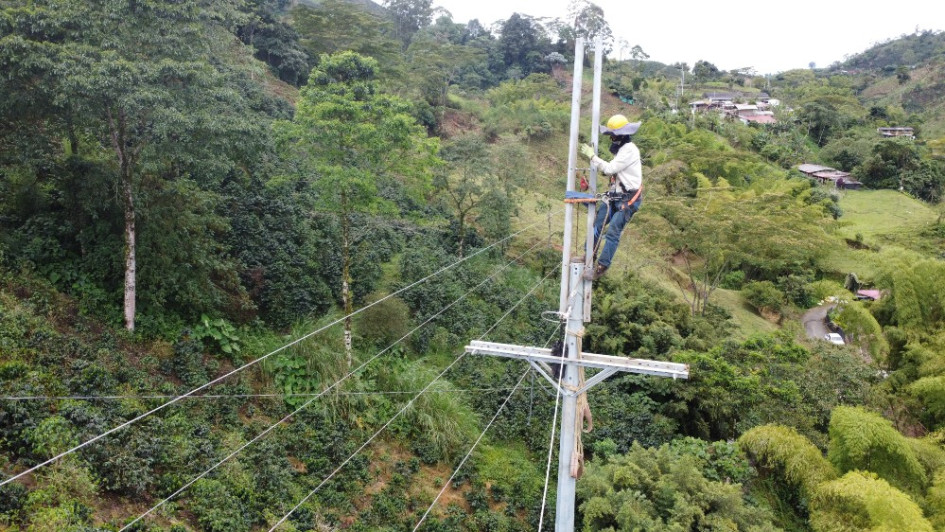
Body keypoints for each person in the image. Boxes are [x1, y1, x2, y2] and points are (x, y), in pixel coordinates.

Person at [578, 114, 643, 281]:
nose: (611, 138)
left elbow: (610, 169)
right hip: (615, 197)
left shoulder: (629, 150)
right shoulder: (621, 150)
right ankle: (588, 256)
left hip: (627, 200)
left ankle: (601, 267)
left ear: (621, 135)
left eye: (613, 135)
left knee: (613, 231)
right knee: (597, 225)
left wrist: (592, 157)